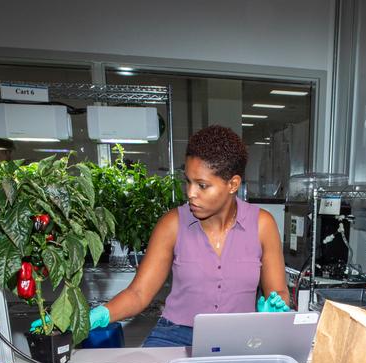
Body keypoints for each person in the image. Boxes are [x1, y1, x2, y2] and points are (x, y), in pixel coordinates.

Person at [87, 125, 292, 347]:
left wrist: (276, 307)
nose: (190, 193)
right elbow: (138, 293)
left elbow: (278, 291)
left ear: (233, 184)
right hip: (175, 335)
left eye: (202, 185)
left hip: (239, 336)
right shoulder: (172, 224)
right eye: (188, 181)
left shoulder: (262, 225)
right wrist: (96, 315)